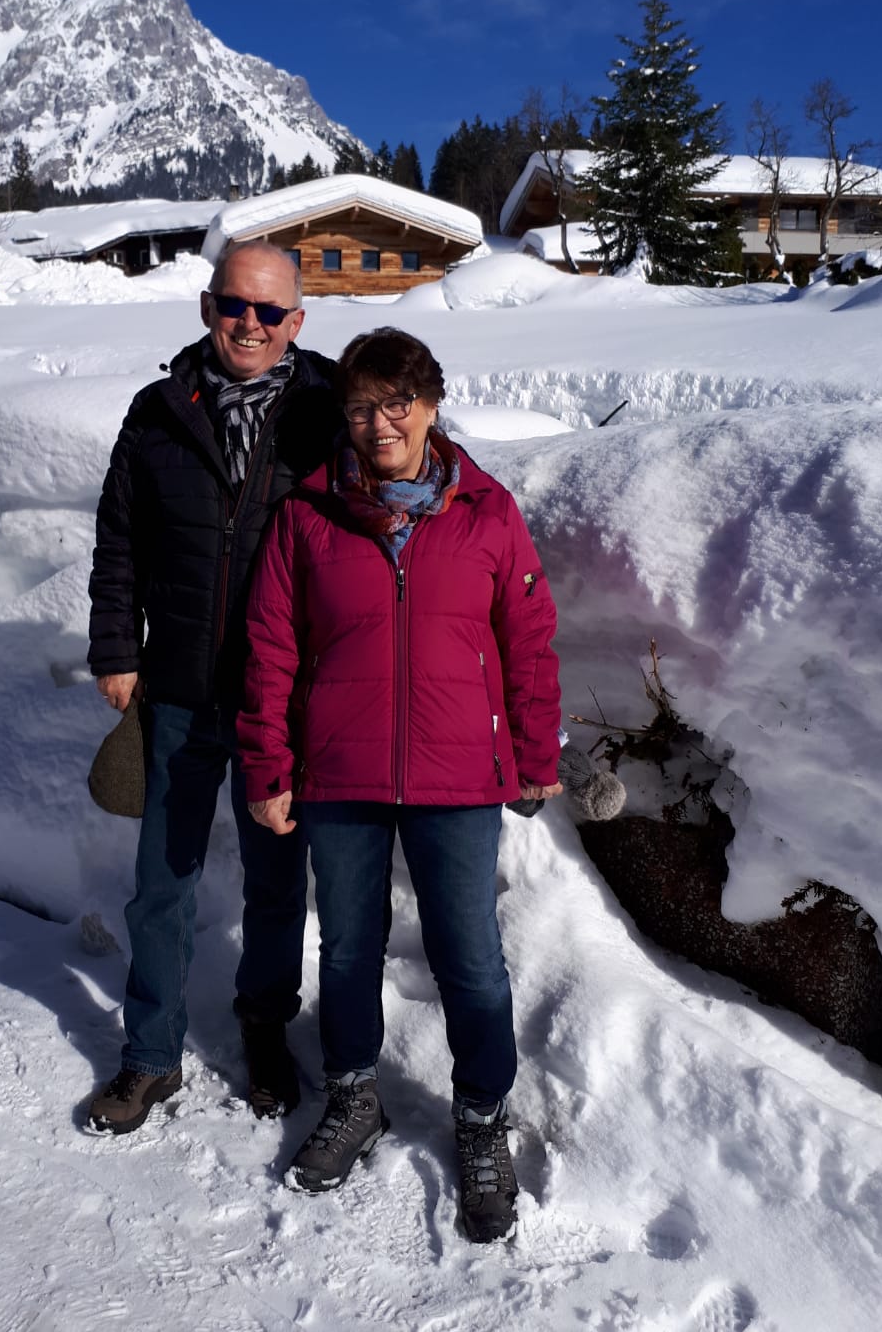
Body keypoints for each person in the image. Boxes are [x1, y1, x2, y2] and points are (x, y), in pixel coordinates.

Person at [238, 328, 561, 1243]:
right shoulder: (308, 515)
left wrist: (536, 752)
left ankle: (482, 1118)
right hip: (339, 773)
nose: (379, 424)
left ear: (430, 405)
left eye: (397, 403)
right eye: (360, 407)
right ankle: (353, 1096)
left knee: (471, 956)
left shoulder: (486, 510)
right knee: (347, 949)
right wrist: (267, 765)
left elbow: (528, 638)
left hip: (458, 775)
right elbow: (270, 649)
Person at [86, 240, 342, 1134]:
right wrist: (115, 648)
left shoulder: (328, 413)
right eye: (236, 304)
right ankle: (150, 1052)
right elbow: (119, 538)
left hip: (282, 699)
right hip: (180, 688)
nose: (250, 324)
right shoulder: (159, 411)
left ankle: (265, 1027)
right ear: (207, 307)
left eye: (270, 311)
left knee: (275, 881)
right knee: (162, 881)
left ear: (296, 322)